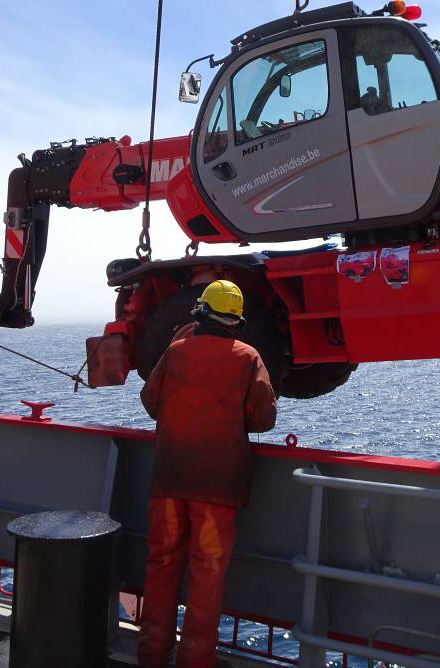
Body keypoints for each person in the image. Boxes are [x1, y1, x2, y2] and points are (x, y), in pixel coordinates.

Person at [136, 279, 277, 668]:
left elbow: (151, 401)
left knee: (161, 564)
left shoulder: (176, 351)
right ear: (236, 320)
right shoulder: (248, 357)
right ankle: (196, 661)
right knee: (207, 574)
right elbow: (263, 419)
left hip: (168, 480)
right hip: (218, 488)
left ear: (200, 312)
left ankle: (150, 653)